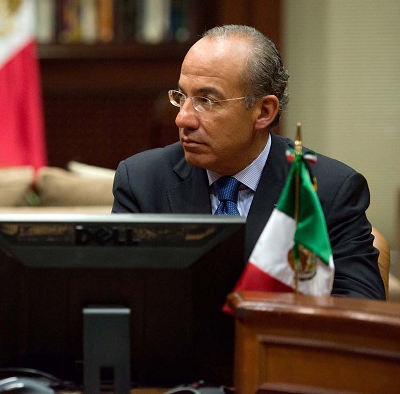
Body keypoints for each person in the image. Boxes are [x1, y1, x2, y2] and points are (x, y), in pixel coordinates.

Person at [113, 24, 385, 300]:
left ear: (264, 112)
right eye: (181, 97)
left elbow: (359, 306)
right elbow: (118, 297)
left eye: (206, 100)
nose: (182, 118)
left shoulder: (328, 190)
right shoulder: (142, 181)